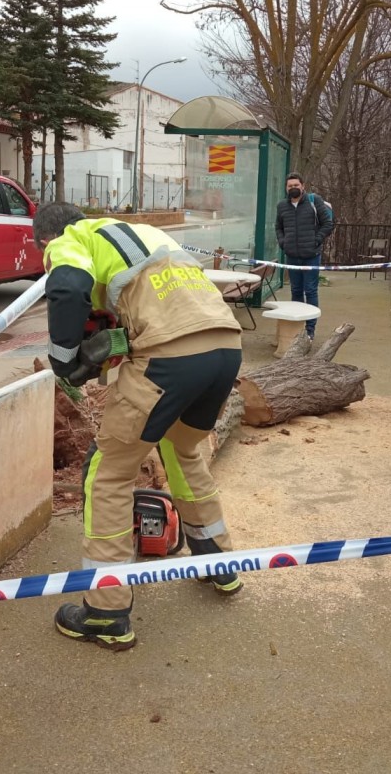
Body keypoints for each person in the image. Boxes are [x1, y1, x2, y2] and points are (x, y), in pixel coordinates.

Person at [33, 202, 245, 651]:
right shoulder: (145, 237)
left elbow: (68, 289)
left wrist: (65, 357)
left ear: (45, 240)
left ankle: (106, 612)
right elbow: (149, 304)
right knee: (182, 448)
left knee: (107, 472)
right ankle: (218, 562)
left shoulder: (73, 238)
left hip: (169, 358)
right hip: (225, 346)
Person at [275, 172, 334, 340]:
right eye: (290, 186)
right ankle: (298, 327)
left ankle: (310, 330)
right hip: (292, 256)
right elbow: (278, 227)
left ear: (302, 186)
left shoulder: (314, 202)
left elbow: (328, 223)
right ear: (286, 188)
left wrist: (316, 240)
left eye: (296, 185)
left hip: (311, 255)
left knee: (311, 291)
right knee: (296, 291)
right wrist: (283, 242)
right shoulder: (282, 206)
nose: (293, 188)